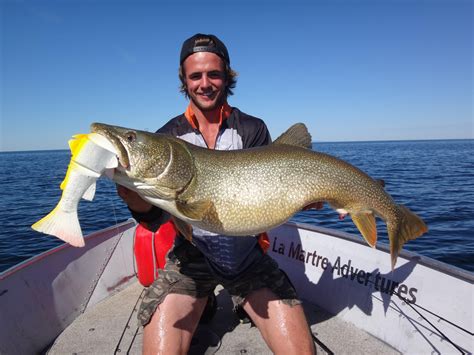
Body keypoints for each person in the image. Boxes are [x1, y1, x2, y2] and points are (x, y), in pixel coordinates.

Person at [117, 33, 316, 354]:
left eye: (214, 74)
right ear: (184, 80)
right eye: (195, 76)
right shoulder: (167, 136)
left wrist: (301, 195)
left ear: (226, 76)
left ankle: (239, 299)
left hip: (247, 258)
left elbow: (266, 193)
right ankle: (204, 298)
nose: (205, 83)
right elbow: (153, 219)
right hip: (190, 260)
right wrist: (132, 193)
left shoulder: (252, 128)